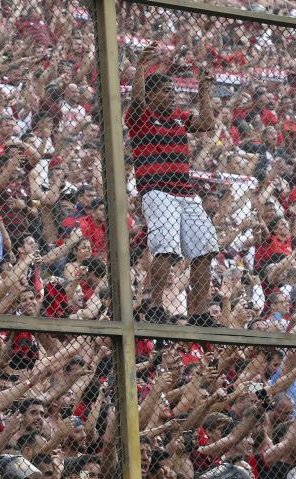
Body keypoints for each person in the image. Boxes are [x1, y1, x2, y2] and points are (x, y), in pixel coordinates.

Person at [126, 43, 219, 326]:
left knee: (205, 249)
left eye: (174, 91)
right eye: (166, 91)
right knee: (165, 246)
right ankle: (154, 305)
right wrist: (140, 70)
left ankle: (200, 313)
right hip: (157, 190)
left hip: (186, 193)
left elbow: (206, 124)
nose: (172, 96)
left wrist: (203, 92)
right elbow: (137, 101)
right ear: (152, 95)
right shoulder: (140, 118)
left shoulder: (178, 118)